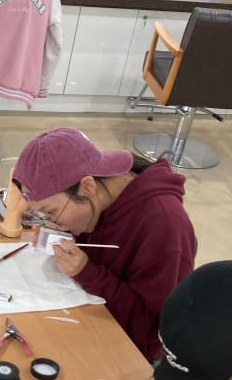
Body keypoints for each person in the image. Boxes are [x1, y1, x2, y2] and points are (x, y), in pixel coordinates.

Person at [12, 127, 197, 362]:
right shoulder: (102, 191)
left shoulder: (164, 227)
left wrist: (87, 272)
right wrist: (62, 235)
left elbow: (152, 329)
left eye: (52, 212)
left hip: (131, 353)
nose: (52, 221)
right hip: (94, 316)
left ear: (88, 187)